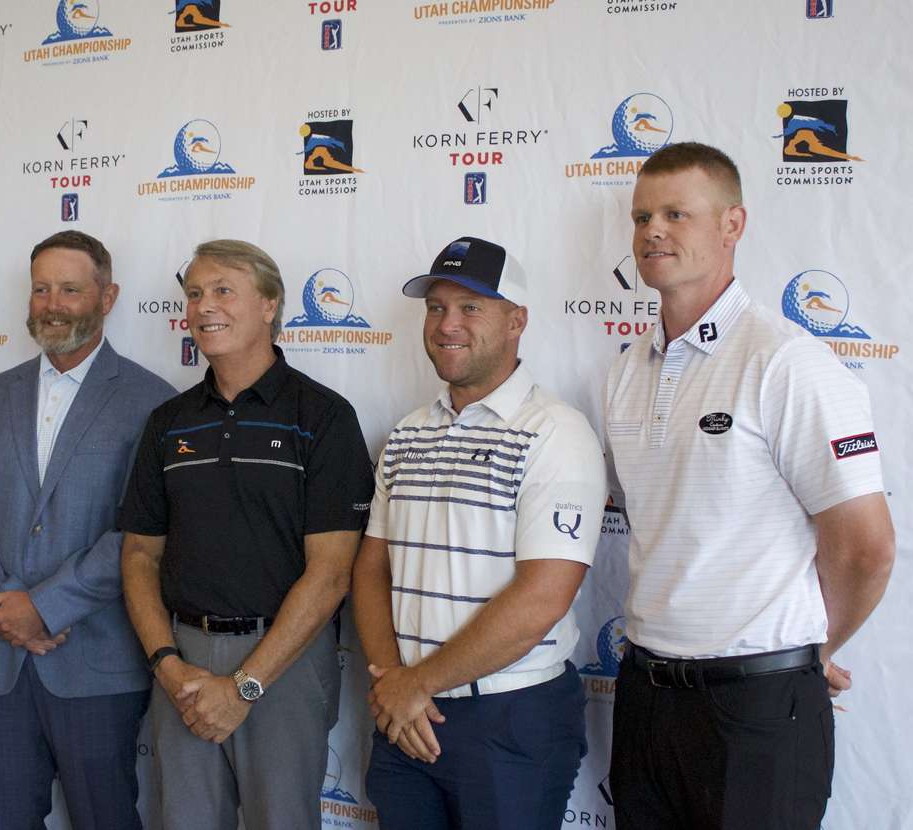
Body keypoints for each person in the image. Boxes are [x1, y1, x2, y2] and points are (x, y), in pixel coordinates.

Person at [603, 142, 895, 828]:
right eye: (642, 215)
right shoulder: (623, 372)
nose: (653, 231)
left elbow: (866, 548)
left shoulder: (787, 362)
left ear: (733, 225)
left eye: (677, 213)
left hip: (758, 708)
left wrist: (808, 655)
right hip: (645, 697)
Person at [120, 239, 374, 830]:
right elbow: (138, 556)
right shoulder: (168, 422)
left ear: (270, 304)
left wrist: (245, 686)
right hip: (180, 663)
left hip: (283, 664)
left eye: (223, 289)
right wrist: (166, 663)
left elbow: (333, 572)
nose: (204, 305)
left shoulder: (323, 416)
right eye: (194, 293)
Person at [353, 237, 606, 829]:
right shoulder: (408, 433)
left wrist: (416, 683)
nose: (447, 325)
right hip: (405, 712)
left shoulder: (556, 433)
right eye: (436, 308)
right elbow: (370, 568)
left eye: (471, 308)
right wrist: (395, 683)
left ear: (516, 321)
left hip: (509, 716)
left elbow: (543, 595)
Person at [0, 230, 174, 830]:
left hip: (95, 659)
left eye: (70, 289)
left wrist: (44, 607)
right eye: (41, 288)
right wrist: (6, 607)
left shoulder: (153, 403)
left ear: (108, 296)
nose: (52, 303)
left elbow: (139, 533)